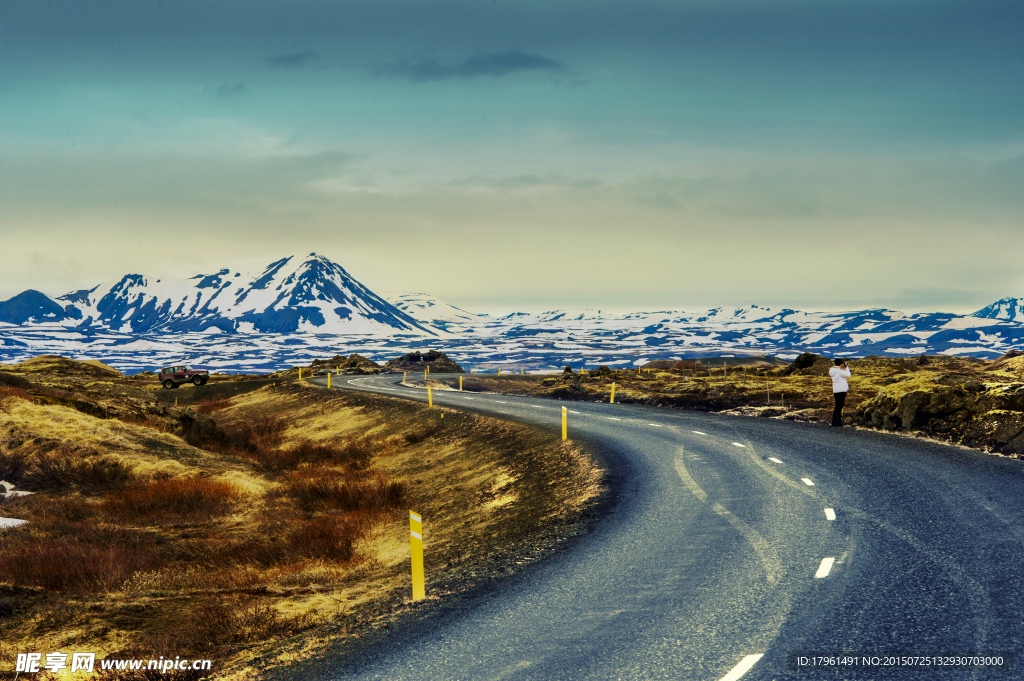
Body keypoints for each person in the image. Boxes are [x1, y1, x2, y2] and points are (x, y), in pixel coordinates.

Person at [829, 358, 852, 427]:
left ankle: (835, 422)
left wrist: (842, 368)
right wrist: (846, 367)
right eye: (842, 363)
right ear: (840, 364)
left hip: (836, 390)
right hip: (842, 390)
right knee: (840, 406)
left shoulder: (832, 370)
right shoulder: (839, 371)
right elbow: (848, 375)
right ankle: (838, 422)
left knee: (837, 406)